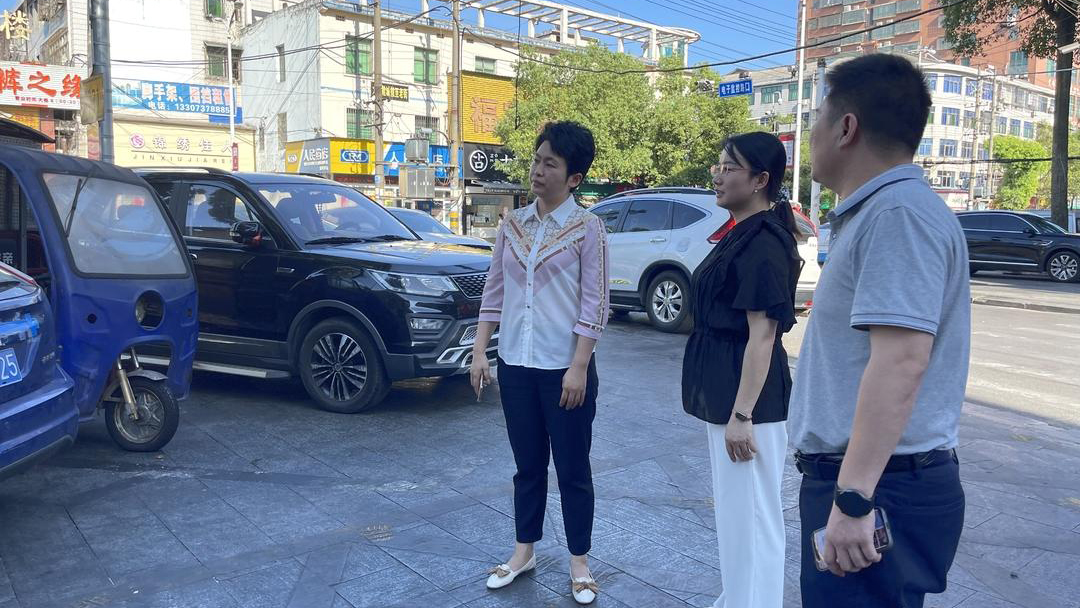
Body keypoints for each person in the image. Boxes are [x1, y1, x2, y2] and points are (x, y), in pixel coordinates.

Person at [788, 53, 971, 608]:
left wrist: (853, 499)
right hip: (874, 479)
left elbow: (901, 362)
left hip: (877, 486)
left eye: (817, 119)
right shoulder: (884, 212)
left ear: (846, 128)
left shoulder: (897, 215)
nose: (811, 135)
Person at [470, 121, 609, 606]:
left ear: (574, 177)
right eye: (536, 160)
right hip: (516, 364)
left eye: (551, 163)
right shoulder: (512, 224)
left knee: (572, 469)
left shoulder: (588, 228)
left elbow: (595, 302)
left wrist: (579, 365)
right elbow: (494, 291)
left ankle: (579, 563)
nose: (538, 170)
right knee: (527, 466)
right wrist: (481, 350)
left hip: (565, 370)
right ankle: (523, 552)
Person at [682, 132, 802, 608]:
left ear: (760, 180)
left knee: (754, 517)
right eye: (718, 165)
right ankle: (738, 597)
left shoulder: (764, 243)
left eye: (729, 167)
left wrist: (742, 415)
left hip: (749, 404)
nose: (717, 175)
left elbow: (763, 336)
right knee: (737, 514)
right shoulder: (741, 232)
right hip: (729, 394)